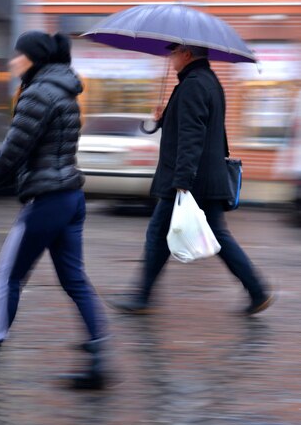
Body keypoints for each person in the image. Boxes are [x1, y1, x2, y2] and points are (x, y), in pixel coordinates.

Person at [0, 30, 109, 388]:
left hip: (46, 201)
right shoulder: (65, 90)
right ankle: (99, 361)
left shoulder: (37, 94)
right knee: (75, 279)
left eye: (18, 54)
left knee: (7, 277)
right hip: (70, 198)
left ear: (32, 58)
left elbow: (11, 154)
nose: (13, 60)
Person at [111, 44, 274, 315]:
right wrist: (165, 118)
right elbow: (202, 128)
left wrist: (182, 180)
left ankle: (142, 297)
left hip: (191, 180)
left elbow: (192, 135)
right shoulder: (207, 81)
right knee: (214, 237)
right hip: (205, 177)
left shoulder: (193, 85)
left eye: (173, 52)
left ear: (186, 54)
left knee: (158, 233)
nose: (170, 57)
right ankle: (257, 291)